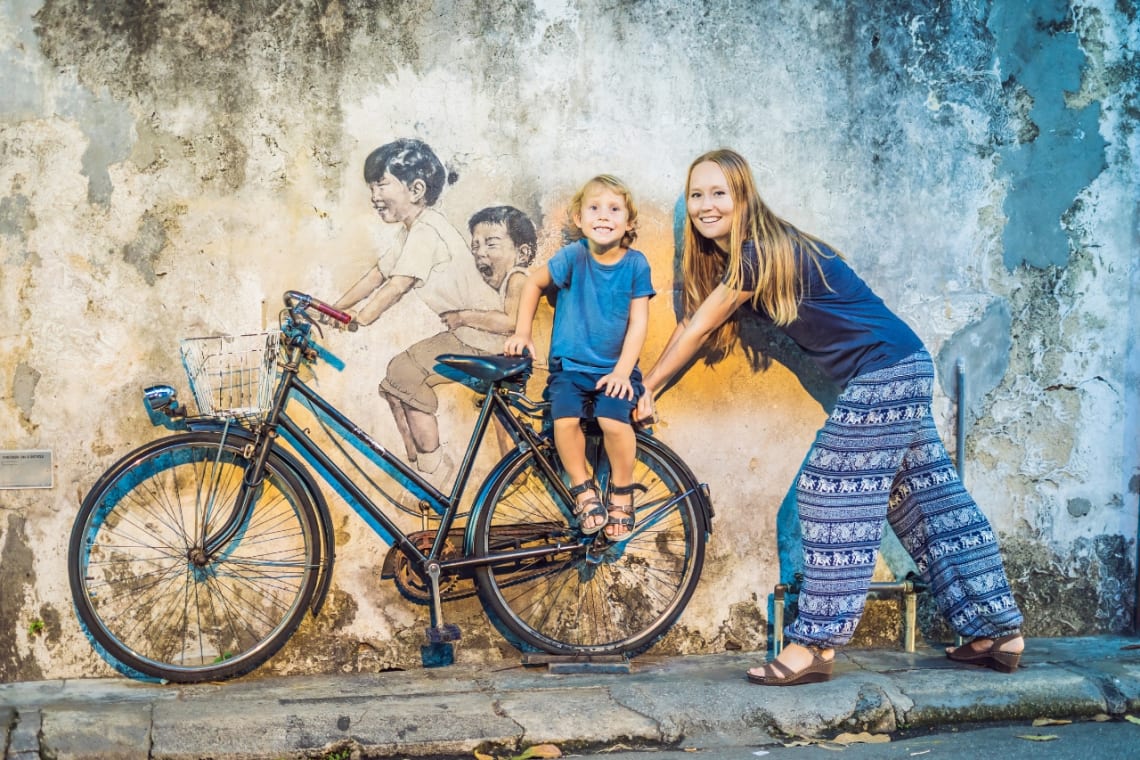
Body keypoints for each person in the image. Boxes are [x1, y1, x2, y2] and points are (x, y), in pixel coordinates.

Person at [635, 148, 1024, 685]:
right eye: (696, 195)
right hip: (903, 363)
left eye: (719, 193)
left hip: (886, 370)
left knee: (830, 491)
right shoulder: (753, 254)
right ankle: (998, 632)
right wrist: (650, 382)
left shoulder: (757, 252)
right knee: (927, 501)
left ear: (743, 197)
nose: (706, 205)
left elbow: (697, 327)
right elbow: (697, 322)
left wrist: (647, 386)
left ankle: (816, 644)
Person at [331, 138, 505, 479]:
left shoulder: (427, 231)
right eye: (371, 187)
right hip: (467, 334)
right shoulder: (414, 230)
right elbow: (378, 274)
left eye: (381, 184)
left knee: (403, 374)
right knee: (397, 379)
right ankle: (424, 466)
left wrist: (360, 318)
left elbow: (398, 285)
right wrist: (333, 308)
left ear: (416, 189)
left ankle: (435, 470)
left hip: (480, 336)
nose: (374, 195)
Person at [505, 175, 655, 540]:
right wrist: (522, 332)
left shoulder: (636, 265)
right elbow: (533, 283)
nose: (603, 216)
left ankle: (621, 492)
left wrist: (623, 372)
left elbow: (639, 323)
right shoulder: (573, 257)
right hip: (570, 369)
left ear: (629, 222)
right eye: (594, 208)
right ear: (579, 218)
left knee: (613, 421)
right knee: (565, 421)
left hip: (615, 370)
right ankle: (583, 489)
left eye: (614, 209)